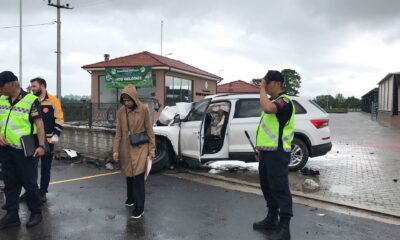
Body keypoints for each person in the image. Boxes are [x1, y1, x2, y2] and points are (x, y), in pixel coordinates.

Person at [0, 71, 45, 229]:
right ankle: (12, 214)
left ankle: (36, 212)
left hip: (25, 150)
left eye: (1, 87)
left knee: (29, 183)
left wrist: (41, 146)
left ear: (12, 84)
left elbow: (39, 124)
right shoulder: (2, 99)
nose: (0, 90)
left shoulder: (30, 100)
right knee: (10, 183)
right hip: (6, 149)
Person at [253, 70, 295, 240]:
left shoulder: (285, 101)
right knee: (267, 186)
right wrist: (259, 148)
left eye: (267, 83)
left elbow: (269, 108)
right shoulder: (273, 100)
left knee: (280, 188)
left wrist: (261, 89)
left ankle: (285, 227)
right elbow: (266, 128)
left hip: (278, 152)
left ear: (277, 83)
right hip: (267, 152)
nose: (265, 85)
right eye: (264, 83)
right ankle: (272, 218)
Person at [113, 84, 156, 219]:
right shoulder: (121, 111)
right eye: (124, 101)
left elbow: (150, 130)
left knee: (138, 177)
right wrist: (115, 150)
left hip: (140, 146)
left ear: (134, 98)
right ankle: (131, 198)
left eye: (129, 100)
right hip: (126, 147)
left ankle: (139, 208)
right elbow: (118, 132)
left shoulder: (144, 109)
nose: (127, 103)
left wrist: (152, 149)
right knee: (129, 174)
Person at [20, 77, 64, 203]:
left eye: (34, 86)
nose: (32, 89)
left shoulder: (53, 100)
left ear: (42, 86)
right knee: (28, 168)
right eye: (31, 87)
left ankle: (43, 192)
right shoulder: (30, 100)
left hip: (48, 140)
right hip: (32, 139)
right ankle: (30, 191)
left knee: (45, 168)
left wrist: (56, 134)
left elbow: (59, 118)